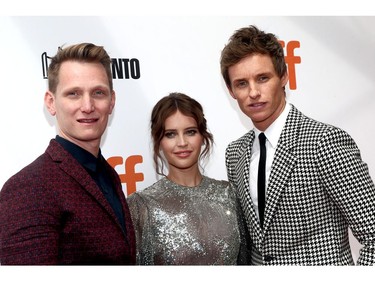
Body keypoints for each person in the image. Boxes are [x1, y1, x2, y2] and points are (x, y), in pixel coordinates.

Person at [220, 25, 375, 265]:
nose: (253, 92)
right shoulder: (235, 154)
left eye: (262, 78)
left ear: (283, 77)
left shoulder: (324, 142)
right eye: (241, 83)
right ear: (231, 90)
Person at [0, 43, 136, 265]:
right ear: (51, 103)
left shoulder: (109, 175)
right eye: (73, 94)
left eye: (98, 93)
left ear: (111, 101)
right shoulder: (28, 187)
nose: (88, 106)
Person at [127, 92, 251, 265]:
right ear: (158, 141)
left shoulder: (229, 194)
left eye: (190, 132)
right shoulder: (141, 206)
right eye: (170, 134)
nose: (182, 142)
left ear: (202, 137)